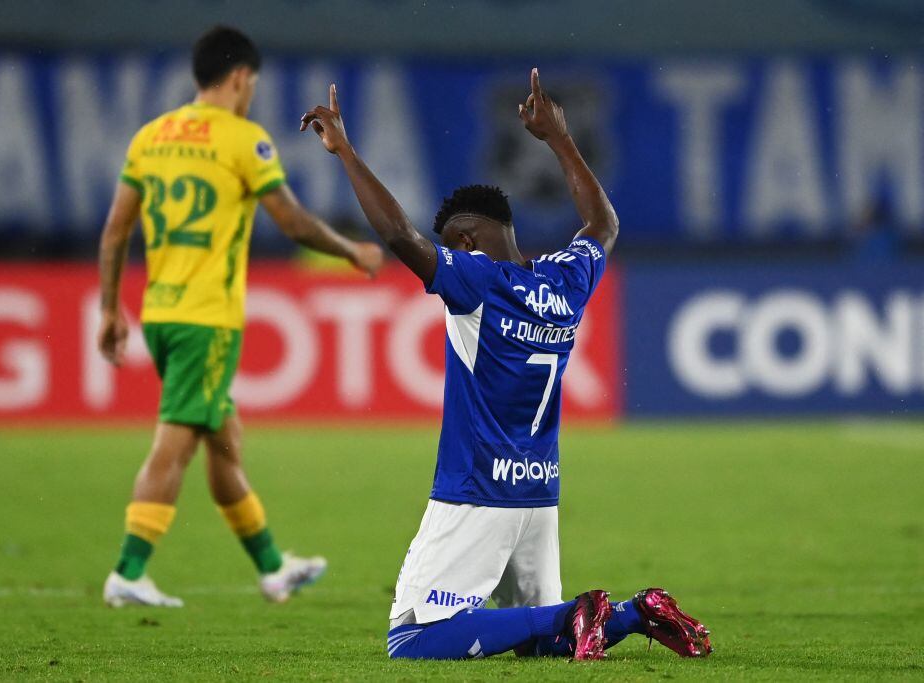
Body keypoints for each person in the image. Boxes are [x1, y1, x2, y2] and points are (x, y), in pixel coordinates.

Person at [299, 69, 712, 660]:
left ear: (465, 241)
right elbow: (604, 226)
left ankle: (578, 611)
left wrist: (346, 152)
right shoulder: (564, 280)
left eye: (450, 245)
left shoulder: (475, 282)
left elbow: (397, 234)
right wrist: (561, 139)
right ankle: (633, 612)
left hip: (477, 492)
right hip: (538, 495)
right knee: (543, 643)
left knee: (412, 639)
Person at [97, 25, 383, 607]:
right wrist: (353, 250)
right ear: (239, 77)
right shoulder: (244, 141)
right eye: (251, 81)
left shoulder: (151, 136)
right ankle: (129, 570)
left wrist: (108, 308)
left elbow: (115, 231)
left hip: (161, 313)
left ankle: (273, 568)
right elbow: (294, 222)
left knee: (223, 440)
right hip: (207, 318)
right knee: (175, 441)